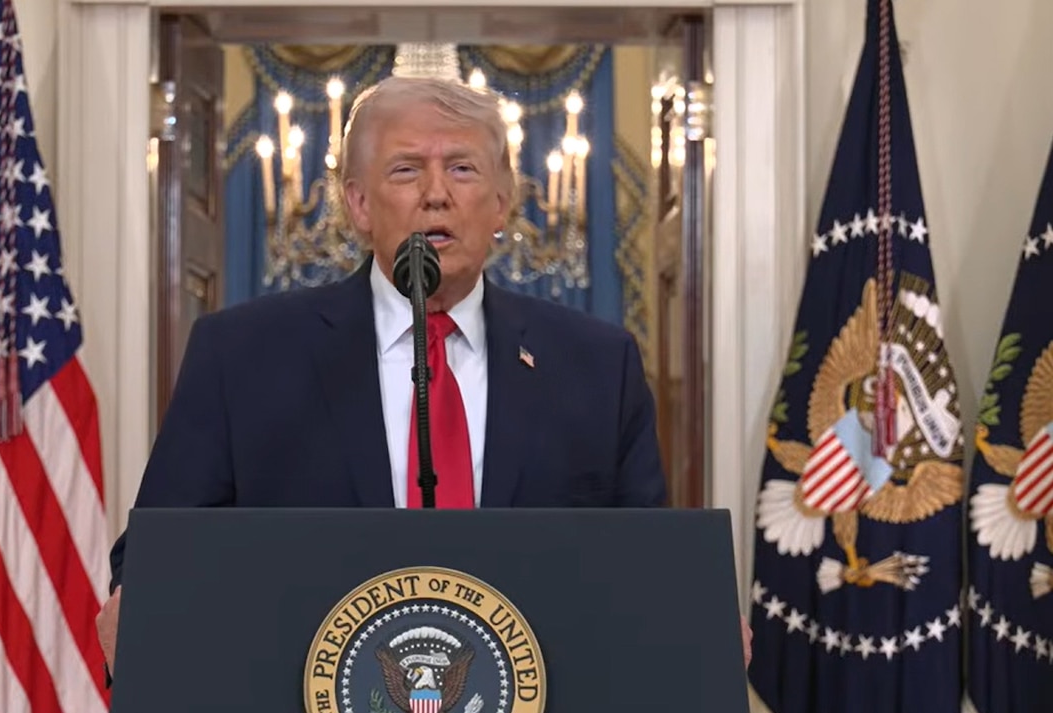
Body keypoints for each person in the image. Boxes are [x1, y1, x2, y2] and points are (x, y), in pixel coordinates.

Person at [96, 75, 750, 673]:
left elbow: (643, 567)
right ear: (357, 204)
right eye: (406, 170)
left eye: (462, 169)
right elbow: (158, 554)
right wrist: (141, 604)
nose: (436, 192)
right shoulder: (242, 356)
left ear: (501, 203)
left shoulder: (597, 364)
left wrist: (691, 618)